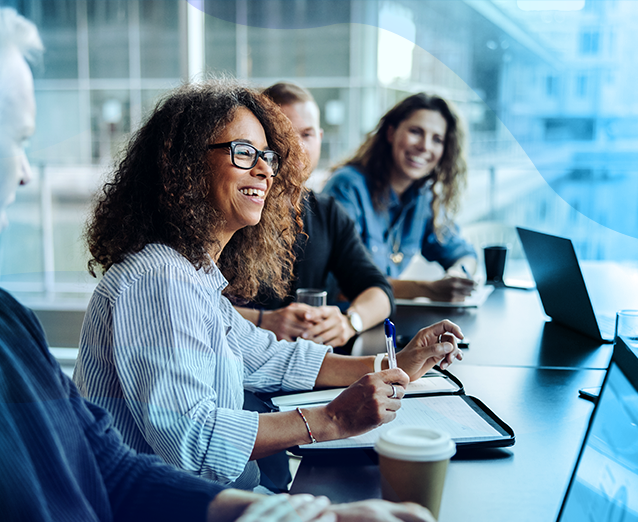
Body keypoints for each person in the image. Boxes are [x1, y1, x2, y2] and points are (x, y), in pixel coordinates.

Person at [0, 2, 442, 522]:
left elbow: (104, 465)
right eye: (20, 138)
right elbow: (179, 446)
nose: (25, 172)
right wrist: (330, 422)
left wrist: (302, 520)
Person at [75, 78, 465, 492]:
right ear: (184, 166)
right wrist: (332, 419)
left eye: (267, 156)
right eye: (244, 153)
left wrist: (394, 365)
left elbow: (270, 359)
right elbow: (193, 442)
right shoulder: (158, 279)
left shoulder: (192, 273)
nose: (265, 169)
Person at [233, 82, 394, 349]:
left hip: (310, 371)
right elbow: (193, 302)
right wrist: (263, 321)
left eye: (306, 135)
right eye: (283, 135)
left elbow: (379, 291)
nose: (296, 147)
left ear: (320, 138)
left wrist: (349, 322)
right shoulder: (237, 206)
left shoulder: (327, 212)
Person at [323, 93, 477, 302]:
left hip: (386, 320)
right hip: (343, 322)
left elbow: (463, 253)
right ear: (390, 133)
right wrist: (429, 289)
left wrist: (458, 275)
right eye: (416, 132)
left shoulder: (423, 197)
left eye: (437, 139)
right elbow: (343, 285)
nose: (425, 146)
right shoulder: (348, 187)